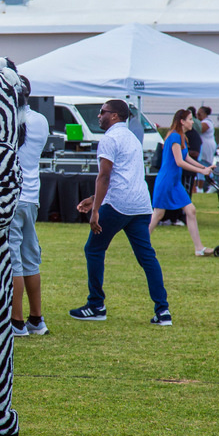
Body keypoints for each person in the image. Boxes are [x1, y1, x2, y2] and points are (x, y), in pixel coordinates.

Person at [70, 99, 172, 327]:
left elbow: (105, 177)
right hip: (141, 205)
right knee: (147, 257)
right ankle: (163, 311)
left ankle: (96, 305)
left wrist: (95, 211)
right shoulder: (132, 138)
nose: (99, 116)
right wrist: (93, 199)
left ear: (114, 115)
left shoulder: (109, 139)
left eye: (102, 112)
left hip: (118, 205)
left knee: (93, 249)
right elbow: (122, 176)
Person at [9, 80, 50, 337]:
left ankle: (16, 321)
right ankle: (36, 318)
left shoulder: (9, 120)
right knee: (30, 259)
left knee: (14, 261)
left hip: (11, 197)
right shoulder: (41, 120)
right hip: (32, 195)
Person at [148, 109, 216, 256]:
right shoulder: (174, 136)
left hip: (174, 182)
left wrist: (204, 168)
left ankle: (199, 249)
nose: (193, 122)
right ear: (182, 121)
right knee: (158, 214)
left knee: (191, 210)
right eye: (190, 119)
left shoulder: (181, 137)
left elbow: (186, 158)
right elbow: (179, 162)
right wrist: (201, 171)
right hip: (166, 181)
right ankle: (142, 245)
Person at [197, 106, 217, 192]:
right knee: (205, 165)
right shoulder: (205, 122)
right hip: (205, 147)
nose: (197, 115)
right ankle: (213, 184)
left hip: (206, 148)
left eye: (199, 113)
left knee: (203, 165)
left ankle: (200, 188)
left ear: (204, 114)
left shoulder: (207, 122)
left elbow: (200, 129)